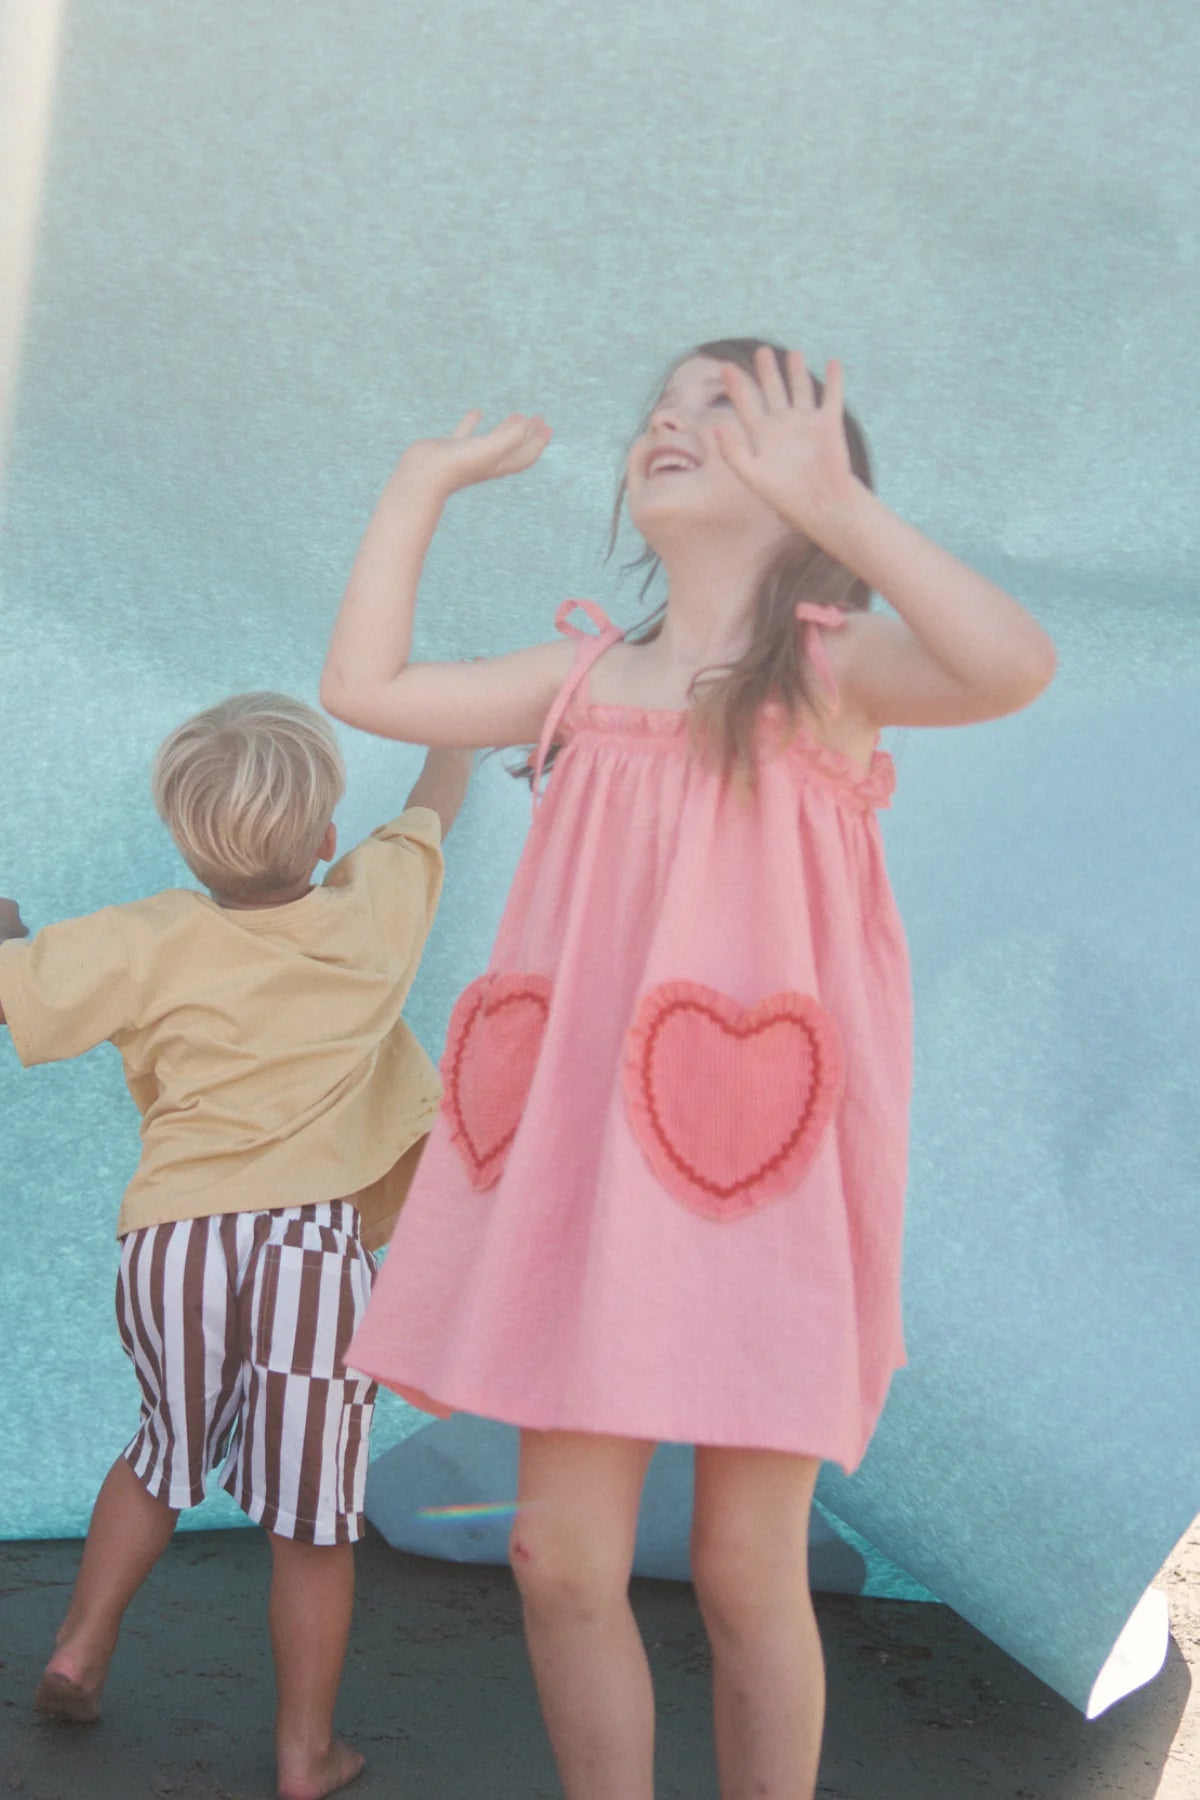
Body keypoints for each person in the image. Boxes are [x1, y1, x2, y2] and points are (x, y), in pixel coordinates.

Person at [320, 338, 1058, 1800]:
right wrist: (419, 488)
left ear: (810, 475)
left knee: (742, 1571)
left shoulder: (831, 676)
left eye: (729, 407)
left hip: (754, 1168)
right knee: (556, 1552)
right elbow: (368, 686)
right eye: (664, 400)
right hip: (586, 1164)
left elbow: (1013, 663)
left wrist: (841, 516)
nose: (671, 414)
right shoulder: (583, 680)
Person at [0, 693, 472, 1800]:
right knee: (312, 1519)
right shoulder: (375, 911)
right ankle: (307, 1750)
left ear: (181, 834)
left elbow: (18, 989)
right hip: (312, 1250)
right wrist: (457, 728)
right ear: (322, 837)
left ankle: (79, 1645)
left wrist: (12, 933)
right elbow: (430, 811)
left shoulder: (143, 935)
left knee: (164, 1447)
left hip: (170, 1241)